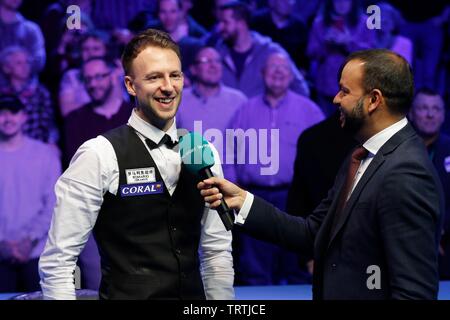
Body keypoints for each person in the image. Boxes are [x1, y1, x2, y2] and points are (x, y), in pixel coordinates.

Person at [198, 49, 444, 299]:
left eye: (345, 91)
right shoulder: (359, 156)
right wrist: (243, 201)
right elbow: (313, 232)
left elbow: (415, 294)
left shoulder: (407, 172)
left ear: (374, 100)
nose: (336, 99)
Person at [39, 28, 234, 300]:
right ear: (130, 85)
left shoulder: (203, 151)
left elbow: (216, 252)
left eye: (174, 75)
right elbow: (59, 261)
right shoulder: (98, 154)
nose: (167, 86)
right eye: (154, 77)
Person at [225, 52, 324, 285]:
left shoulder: (309, 111)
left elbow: (323, 154)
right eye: (272, 67)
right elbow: (228, 152)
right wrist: (232, 187)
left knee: (295, 268)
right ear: (262, 74)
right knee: (254, 269)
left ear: (292, 75)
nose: (279, 72)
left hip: (294, 198)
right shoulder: (244, 110)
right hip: (252, 197)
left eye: (284, 68)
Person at [0, 95, 61, 293]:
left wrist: (29, 240)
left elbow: (54, 203)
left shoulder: (45, 154)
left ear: (24, 117)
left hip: (37, 252)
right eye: (1, 113)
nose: (7, 118)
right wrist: (2, 243)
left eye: (13, 112)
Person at [212, 1, 309, 98]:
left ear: (241, 23)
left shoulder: (270, 52)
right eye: (219, 22)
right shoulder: (218, 53)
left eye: (225, 22)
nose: (219, 28)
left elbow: (300, 90)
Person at [408, 88, 450, 280]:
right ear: (411, 113)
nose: (430, 114)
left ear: (443, 115)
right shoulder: (396, 150)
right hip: (405, 241)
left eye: (436, 109)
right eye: (424, 108)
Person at [177, 46, 247, 159]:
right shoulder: (179, 99)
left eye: (217, 61)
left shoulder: (238, 100)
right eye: (206, 61)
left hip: (229, 174)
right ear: (194, 69)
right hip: (190, 173)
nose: (213, 66)